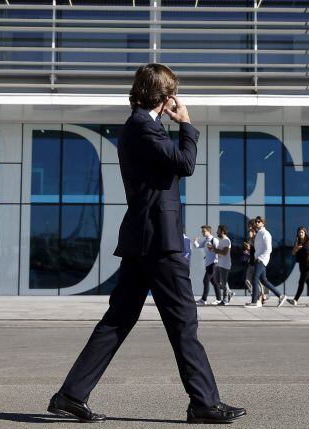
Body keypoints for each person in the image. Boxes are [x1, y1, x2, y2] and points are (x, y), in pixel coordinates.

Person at [49, 63, 245, 424]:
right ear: (165, 94)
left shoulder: (142, 126)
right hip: (159, 240)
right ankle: (203, 403)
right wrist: (186, 124)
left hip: (144, 237)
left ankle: (70, 395)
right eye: (174, 91)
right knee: (184, 321)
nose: (176, 97)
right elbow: (185, 164)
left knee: (118, 319)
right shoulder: (143, 126)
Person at [244, 216, 287, 308]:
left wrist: (260, 258)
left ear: (263, 223)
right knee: (264, 280)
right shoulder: (259, 233)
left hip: (261, 260)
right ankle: (281, 296)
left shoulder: (266, 234)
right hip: (258, 259)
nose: (257, 223)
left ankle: (254, 302)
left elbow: (269, 249)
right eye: (256, 221)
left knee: (254, 279)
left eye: (259, 221)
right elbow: (258, 248)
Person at [286, 226, 309, 306]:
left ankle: (295, 299)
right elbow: (293, 253)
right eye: (299, 232)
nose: (300, 234)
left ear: (305, 233)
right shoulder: (297, 241)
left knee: (301, 281)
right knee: (308, 281)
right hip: (301, 264)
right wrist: (297, 248)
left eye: (302, 232)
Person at [194, 225, 222, 305]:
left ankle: (204, 299)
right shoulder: (206, 240)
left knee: (205, 280)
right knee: (214, 282)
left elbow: (219, 251)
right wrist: (195, 241)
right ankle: (219, 299)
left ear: (209, 231)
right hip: (208, 264)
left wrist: (216, 261)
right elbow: (198, 246)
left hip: (213, 264)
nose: (202, 233)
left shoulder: (214, 240)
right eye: (202, 231)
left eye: (204, 231)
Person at [210, 225, 233, 305]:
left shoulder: (227, 240)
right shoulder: (220, 240)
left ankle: (225, 300)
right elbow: (218, 251)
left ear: (222, 231)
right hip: (218, 263)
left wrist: (215, 250)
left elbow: (224, 252)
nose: (216, 232)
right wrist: (212, 249)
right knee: (215, 280)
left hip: (225, 265)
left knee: (223, 282)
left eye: (218, 230)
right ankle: (229, 291)